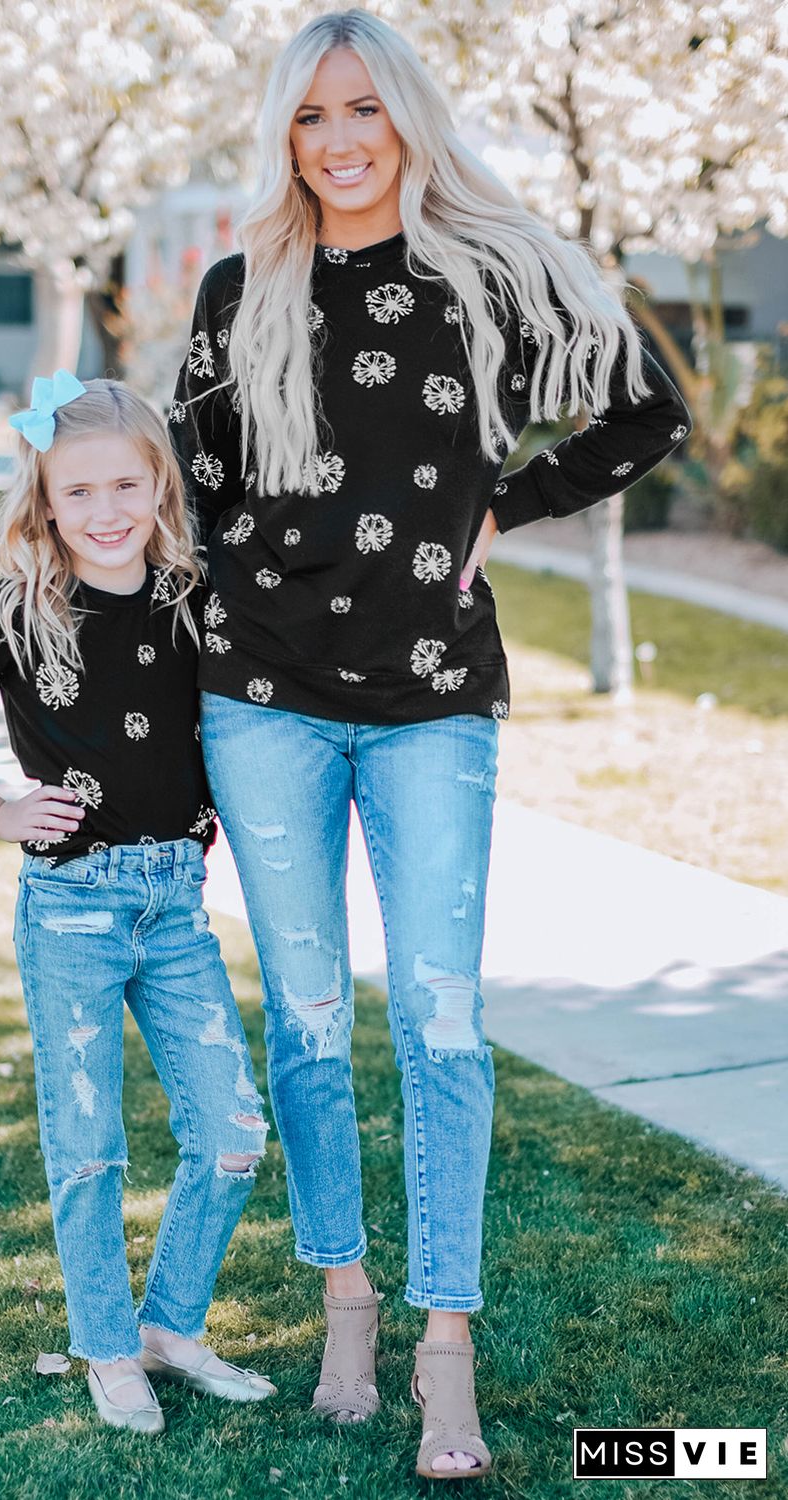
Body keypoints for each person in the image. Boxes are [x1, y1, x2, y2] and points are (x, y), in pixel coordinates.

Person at [168, 8, 692, 1480]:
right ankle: (347, 1306)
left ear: (407, 118)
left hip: (432, 697)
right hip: (259, 700)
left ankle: (443, 1344)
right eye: (310, 119)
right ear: (286, 137)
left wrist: (507, 511)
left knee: (445, 1024)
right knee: (313, 1024)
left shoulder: (487, 274)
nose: (337, 144)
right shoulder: (237, 289)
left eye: (362, 113)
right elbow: (189, 496)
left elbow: (646, 404)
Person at [0, 373, 275, 1435]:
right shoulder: (18, 609)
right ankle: (106, 1348)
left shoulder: (195, 595)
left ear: (160, 486)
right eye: (78, 492)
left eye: (125, 486)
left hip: (176, 908)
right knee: (89, 1147)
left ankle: (168, 1326)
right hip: (71, 912)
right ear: (45, 500)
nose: (105, 512)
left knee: (232, 1134)